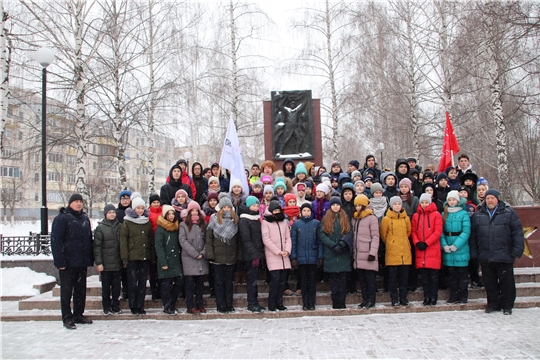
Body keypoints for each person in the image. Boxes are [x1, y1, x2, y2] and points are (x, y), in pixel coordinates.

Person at [469, 189, 524, 315]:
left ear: (497, 199)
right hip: (486, 255)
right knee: (490, 283)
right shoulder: (478, 215)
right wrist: (475, 253)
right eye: (488, 198)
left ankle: (507, 305)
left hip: (504, 254)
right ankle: (493, 304)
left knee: (507, 283)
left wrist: (516, 250)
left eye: (492, 198)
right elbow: (474, 236)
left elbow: (517, 233)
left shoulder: (509, 213)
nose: (490, 200)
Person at [51, 193, 94, 329]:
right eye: (76, 201)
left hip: (81, 263)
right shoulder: (62, 219)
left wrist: (89, 258)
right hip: (68, 263)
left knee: (80, 291)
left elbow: (88, 240)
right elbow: (56, 241)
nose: (79, 204)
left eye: (80, 201)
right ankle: (67, 318)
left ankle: (78, 315)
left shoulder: (84, 218)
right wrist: (60, 262)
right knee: (67, 292)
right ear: (70, 203)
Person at [206, 196, 241, 313]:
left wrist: (238, 255)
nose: (226, 209)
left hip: (231, 257)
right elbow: (209, 239)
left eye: (228, 207)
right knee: (219, 282)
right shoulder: (214, 219)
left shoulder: (235, 220)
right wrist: (210, 254)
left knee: (229, 282)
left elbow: (238, 241)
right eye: (224, 207)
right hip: (217, 257)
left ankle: (229, 304)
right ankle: (220, 304)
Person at [120, 196, 155, 315]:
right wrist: (125, 258)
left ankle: (140, 305)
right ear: (133, 209)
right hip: (132, 257)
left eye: (141, 208)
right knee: (132, 282)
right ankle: (133, 305)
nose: (140, 210)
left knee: (142, 283)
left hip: (144, 257)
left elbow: (150, 240)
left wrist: (151, 256)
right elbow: (123, 241)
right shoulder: (127, 222)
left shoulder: (146, 222)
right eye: (137, 208)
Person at [319, 197, 353, 310]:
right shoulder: (326, 218)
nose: (335, 207)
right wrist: (333, 245)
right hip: (331, 253)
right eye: (333, 205)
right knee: (333, 280)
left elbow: (349, 232)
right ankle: (335, 301)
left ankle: (342, 301)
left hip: (343, 253)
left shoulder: (345, 217)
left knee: (343, 280)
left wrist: (342, 244)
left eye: (337, 205)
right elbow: (322, 234)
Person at [411, 194, 443, 306]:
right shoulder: (416, 216)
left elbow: (438, 231)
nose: (424, 205)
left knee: (433, 277)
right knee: (424, 277)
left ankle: (433, 297)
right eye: (422, 202)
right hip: (421, 249)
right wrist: (417, 242)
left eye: (426, 202)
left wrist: (427, 242)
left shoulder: (436, 215)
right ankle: (426, 297)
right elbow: (413, 231)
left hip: (432, 248)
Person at [440, 191, 471, 305]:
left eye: (453, 200)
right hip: (448, 246)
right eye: (449, 200)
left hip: (460, 248)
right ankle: (453, 295)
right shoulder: (444, 214)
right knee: (452, 276)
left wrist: (456, 245)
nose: (451, 202)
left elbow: (466, 231)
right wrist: (444, 245)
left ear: (458, 201)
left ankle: (463, 296)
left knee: (462, 275)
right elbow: (441, 231)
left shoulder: (463, 214)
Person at [380, 196, 412, 307]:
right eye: (395, 204)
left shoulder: (406, 219)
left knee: (404, 279)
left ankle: (403, 298)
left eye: (399, 204)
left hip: (404, 252)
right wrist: (391, 242)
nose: (397, 206)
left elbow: (408, 232)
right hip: (392, 252)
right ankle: (394, 298)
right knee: (393, 279)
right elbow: (384, 235)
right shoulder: (386, 219)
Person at [291, 203, 323, 310]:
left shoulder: (316, 224)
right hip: (301, 258)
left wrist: (320, 256)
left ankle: (312, 303)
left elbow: (319, 241)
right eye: (304, 210)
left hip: (313, 257)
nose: (306, 213)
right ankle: (305, 303)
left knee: (312, 282)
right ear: (301, 212)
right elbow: (294, 242)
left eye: (308, 211)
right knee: (303, 282)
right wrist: (294, 257)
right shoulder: (296, 224)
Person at [261, 200, 292, 311]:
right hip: (273, 255)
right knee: (275, 281)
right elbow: (266, 239)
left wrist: (287, 250)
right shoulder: (266, 222)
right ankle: (272, 303)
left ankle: (280, 302)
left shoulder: (284, 222)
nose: (277, 212)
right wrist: (278, 251)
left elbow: (288, 237)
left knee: (283, 281)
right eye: (275, 210)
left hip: (284, 256)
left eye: (278, 210)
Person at [179, 202, 209, 314]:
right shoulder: (183, 225)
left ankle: (200, 304)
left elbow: (207, 239)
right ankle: (190, 305)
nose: (195, 212)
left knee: (200, 285)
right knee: (190, 285)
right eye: (192, 211)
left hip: (201, 258)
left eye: (196, 210)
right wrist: (195, 254)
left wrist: (203, 252)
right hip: (189, 258)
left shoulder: (203, 224)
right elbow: (183, 240)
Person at [93, 203, 123, 315]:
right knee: (106, 287)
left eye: (113, 212)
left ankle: (115, 305)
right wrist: (99, 262)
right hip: (105, 264)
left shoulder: (119, 227)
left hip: (117, 263)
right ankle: (106, 307)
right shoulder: (100, 228)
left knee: (116, 287)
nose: (112, 214)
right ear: (105, 214)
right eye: (109, 212)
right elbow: (97, 247)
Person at [351, 194, 380, 309]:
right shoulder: (355, 218)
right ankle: (365, 299)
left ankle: (371, 300)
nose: (358, 208)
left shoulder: (372, 218)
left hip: (368, 253)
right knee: (362, 280)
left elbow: (375, 236)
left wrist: (372, 252)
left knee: (370, 280)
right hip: (358, 254)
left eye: (360, 205)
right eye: (356, 205)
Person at [155, 205, 184, 315]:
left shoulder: (176, 227)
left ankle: (172, 304)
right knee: (165, 285)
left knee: (179, 282)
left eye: (173, 214)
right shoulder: (160, 229)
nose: (171, 216)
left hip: (176, 260)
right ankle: (167, 306)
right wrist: (163, 262)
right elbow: (159, 246)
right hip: (166, 260)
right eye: (169, 214)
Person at [239, 196, 266, 313]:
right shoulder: (244, 220)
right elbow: (246, 239)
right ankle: (251, 303)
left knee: (255, 279)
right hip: (250, 255)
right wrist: (254, 255)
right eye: (254, 206)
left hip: (257, 253)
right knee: (251, 280)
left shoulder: (256, 218)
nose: (256, 208)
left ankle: (255, 302)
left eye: (257, 206)